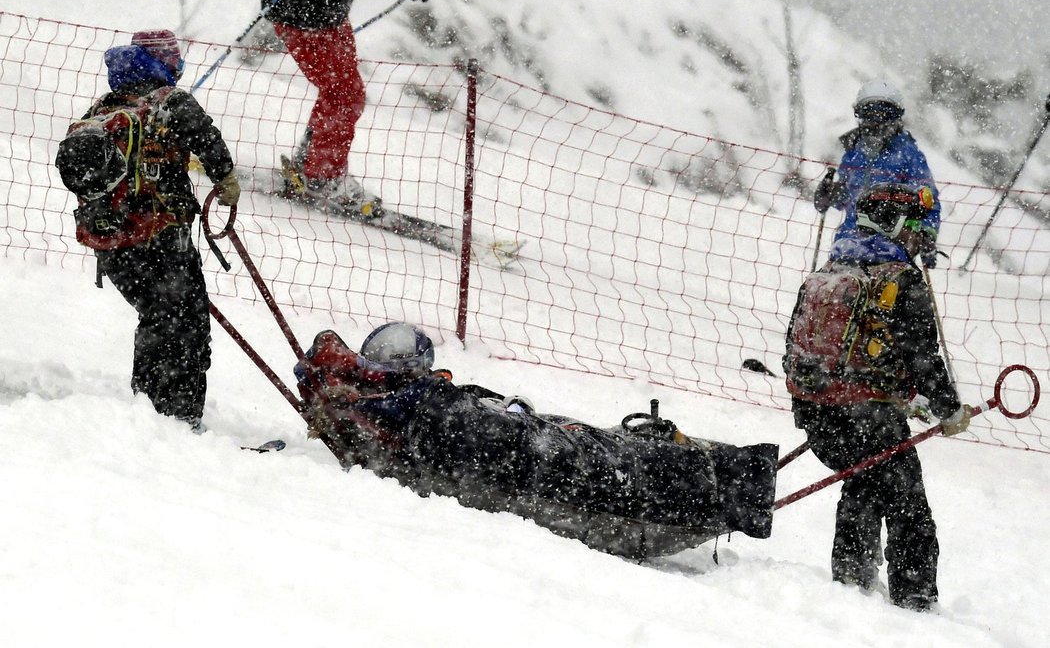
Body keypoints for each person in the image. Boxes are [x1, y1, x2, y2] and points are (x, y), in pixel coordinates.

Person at [292, 322, 780, 559]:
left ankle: (728, 477)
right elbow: (528, 452)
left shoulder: (415, 407)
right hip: (556, 463)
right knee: (615, 463)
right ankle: (729, 482)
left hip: (530, 442)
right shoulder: (429, 414)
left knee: (601, 449)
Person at [783, 182, 970, 612]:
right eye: (918, 228)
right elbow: (924, 358)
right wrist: (949, 411)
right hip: (867, 417)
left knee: (864, 481)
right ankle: (915, 598)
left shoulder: (828, 272)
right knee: (909, 506)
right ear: (898, 225)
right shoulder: (900, 279)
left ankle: (852, 581)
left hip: (818, 414)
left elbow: (792, 347)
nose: (921, 239)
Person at [69, 30, 241, 430]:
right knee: (187, 325)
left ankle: (149, 413)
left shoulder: (102, 109)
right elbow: (206, 137)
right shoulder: (169, 102)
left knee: (157, 319)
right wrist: (226, 180)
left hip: (113, 245)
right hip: (163, 239)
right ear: (164, 62)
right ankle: (178, 418)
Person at [255, 0, 434, 215]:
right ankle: (321, 177)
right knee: (345, 94)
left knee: (341, 92)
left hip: (332, 15)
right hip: (301, 15)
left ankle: (310, 164)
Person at [815, 80, 942, 268]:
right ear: (860, 115)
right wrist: (831, 195)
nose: (876, 122)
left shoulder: (907, 154)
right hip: (849, 245)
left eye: (884, 114)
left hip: (892, 248)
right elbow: (849, 198)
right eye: (869, 114)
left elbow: (928, 201)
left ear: (896, 117)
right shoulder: (854, 153)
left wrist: (926, 234)